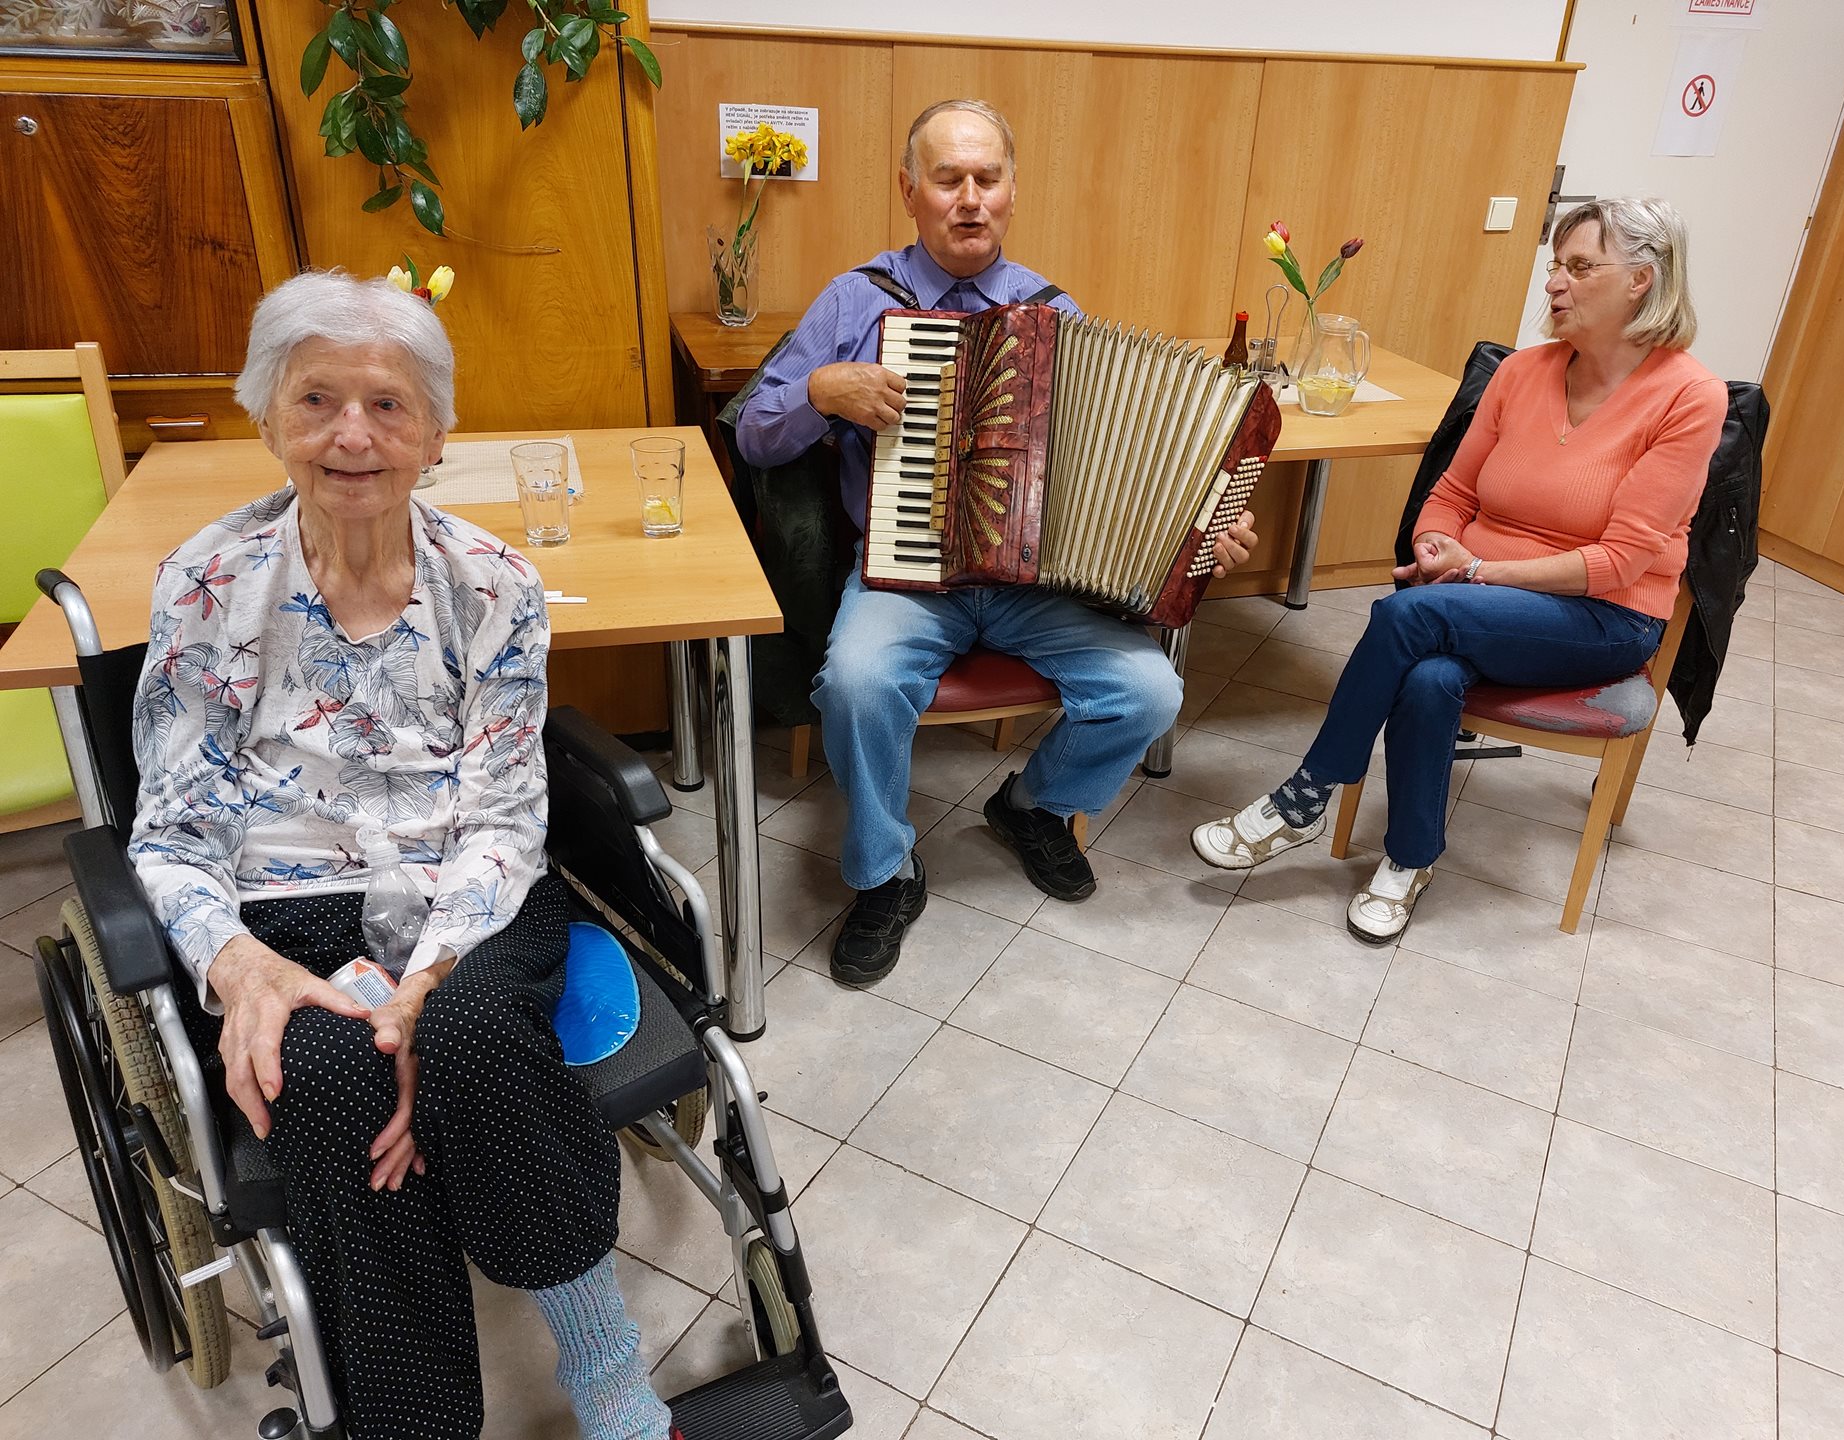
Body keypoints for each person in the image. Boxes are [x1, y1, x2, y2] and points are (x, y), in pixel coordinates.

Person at [128, 271, 681, 1440]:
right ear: (266, 419)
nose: (352, 434)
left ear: (436, 434)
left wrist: (420, 982)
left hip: (466, 892)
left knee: (472, 1036)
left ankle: (605, 1369)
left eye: (387, 405)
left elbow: (505, 817)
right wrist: (241, 967)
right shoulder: (207, 584)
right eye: (316, 399)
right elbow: (171, 829)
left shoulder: (493, 584)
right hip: (281, 907)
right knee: (330, 1081)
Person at [736, 97, 1258, 985]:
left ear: (1013, 190)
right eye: (949, 179)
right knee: (857, 684)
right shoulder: (857, 299)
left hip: (1033, 584)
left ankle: (1033, 806)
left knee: (1148, 692)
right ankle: (884, 872)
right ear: (910, 192)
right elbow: (754, 434)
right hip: (906, 575)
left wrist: (1206, 524)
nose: (970, 198)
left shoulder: (1055, 313)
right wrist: (821, 391)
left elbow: (1120, 462)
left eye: (988, 178)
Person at [1192, 197, 1726, 943]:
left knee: (1408, 614)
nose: (1555, 283)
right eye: (1556, 266)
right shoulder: (1523, 372)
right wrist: (1439, 547)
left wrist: (1475, 574)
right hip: (1476, 599)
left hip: (1604, 617)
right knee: (1429, 676)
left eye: (1580, 267)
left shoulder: (1690, 397)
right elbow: (1449, 495)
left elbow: (1620, 562)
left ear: (1642, 279)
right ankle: (1409, 861)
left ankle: (1307, 793)